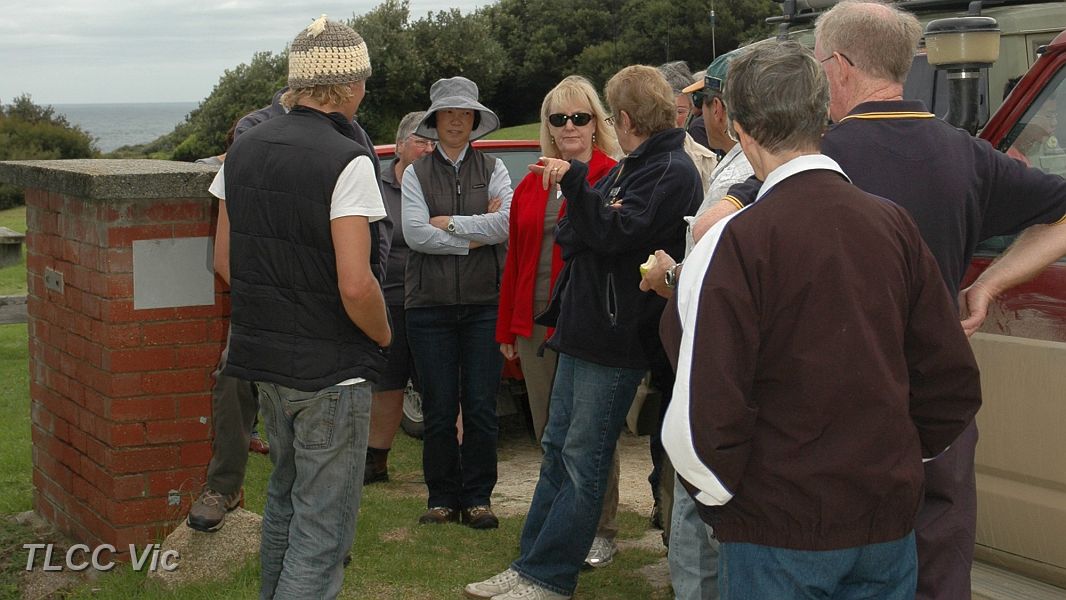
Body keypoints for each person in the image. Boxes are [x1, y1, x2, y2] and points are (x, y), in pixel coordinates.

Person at [692, 3, 1066, 596]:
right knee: (938, 567)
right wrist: (990, 284)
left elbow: (713, 225)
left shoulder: (816, 158)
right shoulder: (966, 153)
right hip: (937, 406)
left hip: (834, 428)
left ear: (839, 66)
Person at [662, 38, 983, 599]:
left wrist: (727, 500)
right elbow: (948, 378)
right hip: (880, 523)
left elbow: (701, 405)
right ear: (824, 115)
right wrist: (895, 465)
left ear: (740, 126)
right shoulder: (894, 226)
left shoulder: (733, 243)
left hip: (778, 532)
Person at [465, 65, 702, 600]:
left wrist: (581, 192)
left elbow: (613, 233)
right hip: (583, 328)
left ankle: (548, 577)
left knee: (582, 459)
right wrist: (594, 211)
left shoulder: (668, 169)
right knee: (557, 449)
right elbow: (576, 233)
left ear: (621, 118)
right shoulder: (634, 168)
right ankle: (529, 566)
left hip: (615, 339)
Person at [210, 16, 391, 599]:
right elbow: (357, 285)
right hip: (332, 371)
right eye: (363, 79)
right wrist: (383, 335)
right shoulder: (348, 159)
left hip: (264, 362)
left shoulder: (241, 150)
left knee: (285, 505)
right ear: (349, 85)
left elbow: (224, 262)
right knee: (322, 531)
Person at [495, 75, 622, 568]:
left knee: (592, 433)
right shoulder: (531, 183)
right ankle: (558, 523)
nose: (569, 126)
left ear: (595, 123)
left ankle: (601, 528)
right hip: (535, 323)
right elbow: (515, 258)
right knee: (549, 430)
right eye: (559, 118)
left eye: (579, 117)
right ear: (547, 126)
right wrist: (507, 328)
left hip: (587, 321)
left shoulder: (612, 175)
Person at [641, 47, 753, 600]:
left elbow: (728, 266)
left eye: (705, 102)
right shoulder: (735, 162)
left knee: (700, 516)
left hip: (718, 362)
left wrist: (669, 275)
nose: (701, 114)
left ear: (720, 107)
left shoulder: (747, 170)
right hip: (708, 355)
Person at [402, 76, 512, 529]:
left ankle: (479, 498)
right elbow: (414, 233)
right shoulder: (415, 172)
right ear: (436, 120)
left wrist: (447, 224)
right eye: (449, 113)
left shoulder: (495, 168)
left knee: (482, 405)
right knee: (440, 407)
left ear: (474, 120)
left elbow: (506, 224)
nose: (456, 121)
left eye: (464, 113)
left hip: (485, 303)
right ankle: (442, 498)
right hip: (428, 307)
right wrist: (473, 236)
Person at [364, 111, 435, 484]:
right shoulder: (373, 184)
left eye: (433, 143)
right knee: (387, 384)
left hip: (433, 297)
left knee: (438, 384)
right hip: (387, 298)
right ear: (400, 145)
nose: (428, 149)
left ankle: (448, 463)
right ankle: (376, 461)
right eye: (421, 141)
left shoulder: (441, 182)